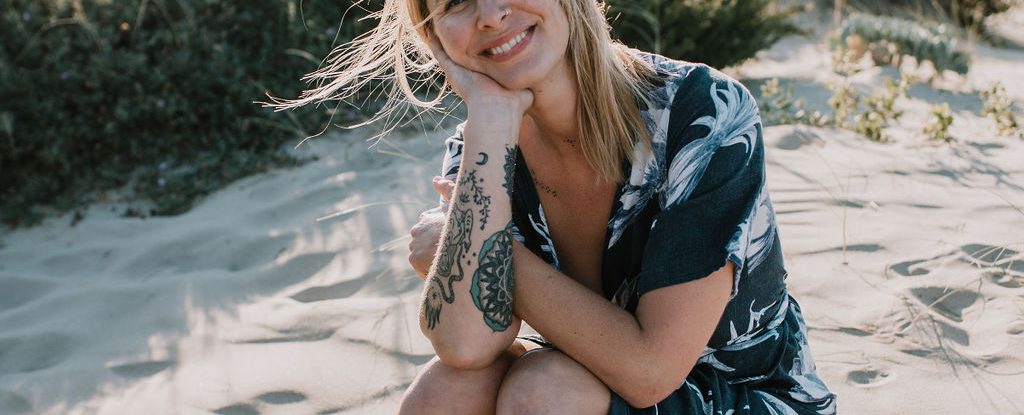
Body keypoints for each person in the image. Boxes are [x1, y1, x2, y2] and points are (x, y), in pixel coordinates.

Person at [273, 0, 837, 413]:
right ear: (435, 38)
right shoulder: (483, 150)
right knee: (445, 394)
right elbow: (466, 345)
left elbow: (650, 372)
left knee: (544, 392)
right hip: (586, 386)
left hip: (745, 398)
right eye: (456, 3)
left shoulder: (703, 115)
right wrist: (491, 119)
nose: (490, 14)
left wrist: (472, 247)